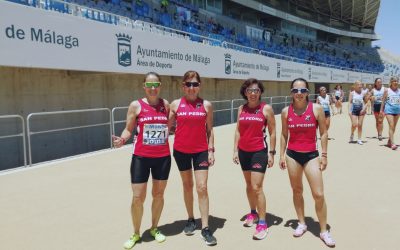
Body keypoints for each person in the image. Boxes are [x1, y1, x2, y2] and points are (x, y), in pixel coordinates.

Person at [113, 72, 171, 249]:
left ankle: (154, 228)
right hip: (141, 157)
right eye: (149, 85)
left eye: (156, 85)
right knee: (138, 197)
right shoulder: (135, 106)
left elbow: (169, 127)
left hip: (162, 157)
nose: (153, 89)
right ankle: (136, 233)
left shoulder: (166, 105)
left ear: (160, 86)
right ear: (144, 86)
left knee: (158, 195)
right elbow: (128, 129)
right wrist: (122, 140)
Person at [279, 78, 335, 247]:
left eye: (303, 90)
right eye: (296, 90)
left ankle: (324, 230)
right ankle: (302, 223)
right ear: (291, 92)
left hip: (311, 155)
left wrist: (324, 155)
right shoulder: (285, 111)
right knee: (297, 191)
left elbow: (324, 133)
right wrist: (281, 155)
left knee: (318, 194)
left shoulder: (316, 109)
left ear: (308, 93)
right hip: (292, 155)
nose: (299, 93)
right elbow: (283, 135)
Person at [169, 70, 217, 246]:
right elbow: (166, 127)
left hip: (201, 151)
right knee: (187, 185)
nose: (191, 88)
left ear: (199, 86)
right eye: (188, 84)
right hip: (181, 151)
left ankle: (205, 227)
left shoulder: (206, 105)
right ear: (183, 86)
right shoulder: (175, 105)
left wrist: (211, 150)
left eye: (195, 84)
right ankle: (190, 219)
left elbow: (210, 130)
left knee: (202, 187)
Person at [232, 78, 276, 240]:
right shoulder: (241, 108)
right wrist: (235, 150)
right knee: (249, 185)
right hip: (244, 152)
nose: (253, 93)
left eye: (256, 90)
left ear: (260, 92)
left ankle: (263, 223)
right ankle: (253, 213)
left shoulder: (266, 109)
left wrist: (271, 153)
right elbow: (238, 130)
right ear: (245, 92)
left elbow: (272, 132)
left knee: (257, 187)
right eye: (249, 90)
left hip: (259, 152)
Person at [380, 76, 400, 150]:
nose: (396, 82)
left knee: (394, 127)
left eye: (397, 81)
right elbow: (383, 101)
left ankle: (389, 141)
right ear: (391, 82)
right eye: (394, 81)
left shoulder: (399, 91)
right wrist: (381, 111)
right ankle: (393, 143)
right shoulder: (387, 90)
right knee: (391, 125)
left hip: (397, 111)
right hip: (389, 110)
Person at [348, 80, 367, 145]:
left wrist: (364, 109)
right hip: (354, 110)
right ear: (355, 86)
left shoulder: (363, 93)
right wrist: (349, 111)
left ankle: (359, 139)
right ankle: (352, 134)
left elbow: (367, 102)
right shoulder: (352, 93)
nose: (360, 86)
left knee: (360, 125)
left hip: (361, 110)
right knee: (354, 124)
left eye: (360, 84)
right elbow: (350, 102)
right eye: (358, 85)